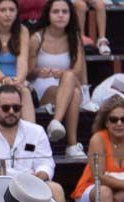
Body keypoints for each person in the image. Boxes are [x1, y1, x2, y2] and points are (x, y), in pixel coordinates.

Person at [29, 0, 85, 155]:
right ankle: (72, 145)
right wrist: (39, 71)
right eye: (56, 12)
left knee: (69, 76)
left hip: (68, 81)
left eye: (64, 12)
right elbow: (28, 71)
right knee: (74, 94)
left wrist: (61, 74)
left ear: (70, 15)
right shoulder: (36, 38)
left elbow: (78, 70)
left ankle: (56, 121)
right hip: (43, 86)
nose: (60, 15)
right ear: (48, 14)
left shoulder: (74, 37)